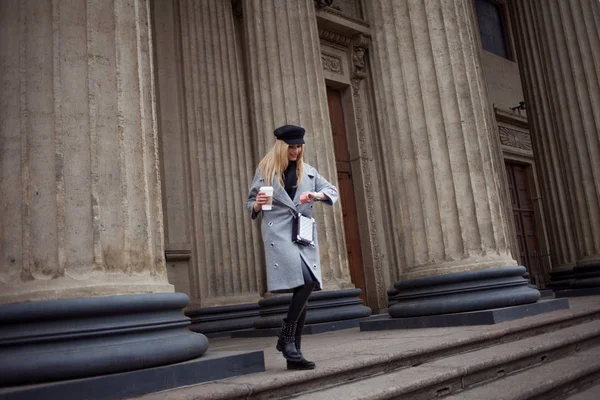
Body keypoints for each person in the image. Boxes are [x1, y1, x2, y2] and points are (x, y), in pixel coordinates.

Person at [246, 124, 339, 370]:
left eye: (299, 146)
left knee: (306, 288)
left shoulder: (308, 172)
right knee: (306, 283)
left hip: (302, 233)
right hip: (279, 233)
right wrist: (257, 204)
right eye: (292, 147)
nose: (296, 151)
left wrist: (315, 196)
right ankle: (287, 338)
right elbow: (250, 202)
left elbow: (331, 190)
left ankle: (293, 354)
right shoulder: (265, 170)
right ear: (281, 146)